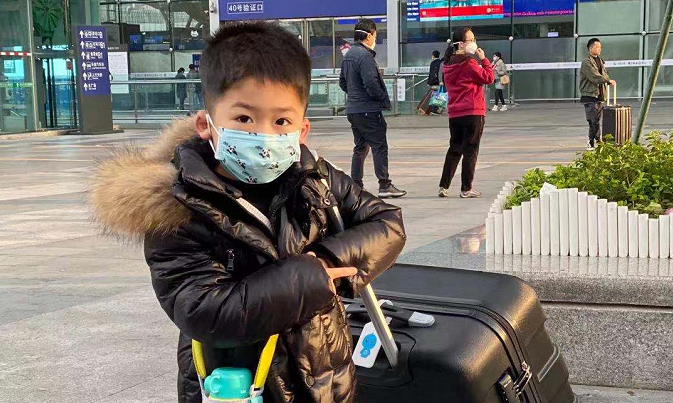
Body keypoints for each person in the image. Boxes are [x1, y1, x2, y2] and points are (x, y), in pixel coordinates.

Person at [89, 21, 406, 403]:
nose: (264, 135)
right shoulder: (177, 207)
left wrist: (327, 259)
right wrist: (309, 279)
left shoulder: (315, 178)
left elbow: (387, 222)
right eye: (243, 119)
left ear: (302, 130)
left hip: (326, 379)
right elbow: (205, 311)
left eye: (281, 121)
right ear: (206, 124)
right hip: (238, 387)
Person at [339, 18, 407, 199]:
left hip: (353, 108)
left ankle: (356, 185)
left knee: (360, 147)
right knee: (379, 146)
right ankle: (384, 185)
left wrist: (355, 95)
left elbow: (342, 83)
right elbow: (371, 83)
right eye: (375, 35)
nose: (375, 39)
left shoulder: (348, 55)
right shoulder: (365, 56)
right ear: (369, 35)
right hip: (368, 109)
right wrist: (379, 98)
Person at [438, 27, 494, 199]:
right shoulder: (469, 63)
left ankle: (444, 185)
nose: (474, 42)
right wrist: (484, 59)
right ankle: (466, 188)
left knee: (454, 149)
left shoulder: (447, 64)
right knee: (471, 150)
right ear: (461, 43)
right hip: (472, 111)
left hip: (455, 113)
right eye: (471, 40)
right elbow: (488, 78)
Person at [580, 37, 616, 151]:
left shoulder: (601, 61)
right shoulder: (586, 62)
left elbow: (604, 75)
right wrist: (607, 80)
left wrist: (608, 80)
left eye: (600, 47)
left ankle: (595, 141)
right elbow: (594, 76)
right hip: (590, 95)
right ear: (591, 48)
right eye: (597, 47)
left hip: (600, 95)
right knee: (593, 120)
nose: (600, 49)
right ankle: (593, 141)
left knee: (596, 120)